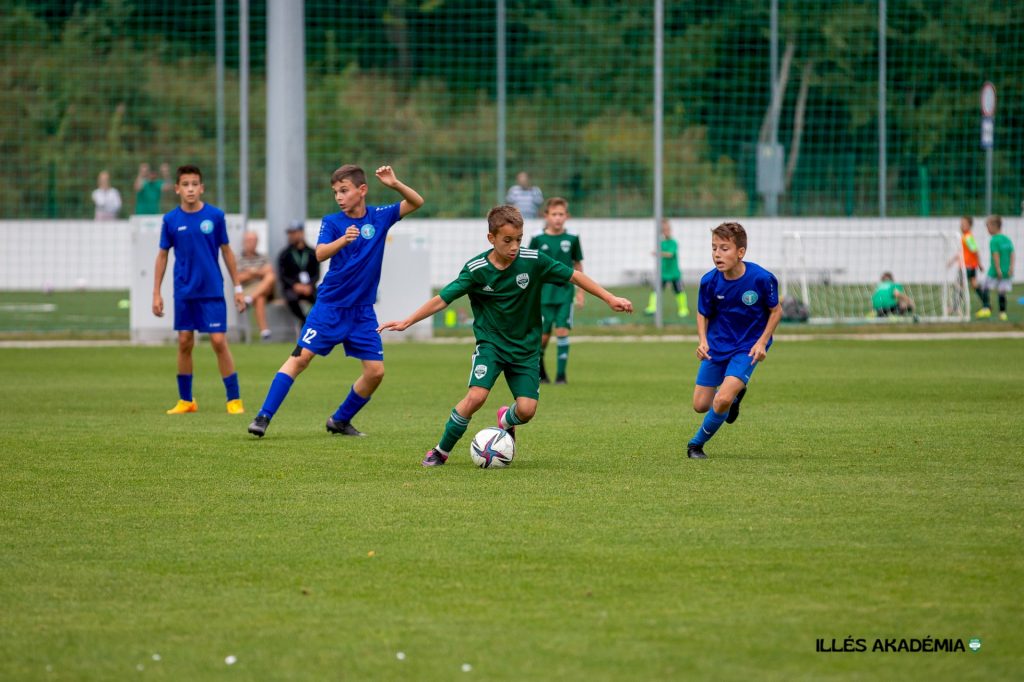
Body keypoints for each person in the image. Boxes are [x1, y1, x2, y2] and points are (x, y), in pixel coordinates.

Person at [378, 204, 633, 467]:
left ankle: (505, 420)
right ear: (492, 238)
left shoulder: (533, 262)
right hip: (492, 346)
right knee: (476, 396)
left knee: (526, 410)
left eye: (518, 240)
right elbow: (443, 299)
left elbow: (574, 276)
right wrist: (408, 321)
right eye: (507, 240)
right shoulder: (477, 269)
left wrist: (609, 297)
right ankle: (440, 451)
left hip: (525, 349)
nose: (514, 246)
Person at [247, 164, 424, 439]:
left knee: (375, 372)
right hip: (329, 308)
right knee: (300, 359)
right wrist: (343, 240)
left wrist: (395, 184)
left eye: (344, 190)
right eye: (335, 192)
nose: (339, 197)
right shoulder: (332, 222)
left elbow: (416, 202)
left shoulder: (380, 216)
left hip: (362, 312)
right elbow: (319, 254)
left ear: (361, 190)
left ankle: (340, 420)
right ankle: (263, 417)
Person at [152, 164, 247, 415]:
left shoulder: (215, 216)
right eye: (185, 184)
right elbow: (162, 256)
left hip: (212, 290)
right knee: (184, 341)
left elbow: (226, 251)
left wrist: (238, 287)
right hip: (184, 291)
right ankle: (186, 401)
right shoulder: (170, 220)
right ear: (177, 189)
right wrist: (156, 292)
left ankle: (234, 399)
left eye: (195, 184)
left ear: (202, 188)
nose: (190, 189)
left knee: (218, 341)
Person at [686, 222, 782, 460]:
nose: (717, 254)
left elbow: (776, 310)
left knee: (722, 400)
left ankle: (695, 445)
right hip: (718, 345)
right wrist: (702, 341)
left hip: (747, 347)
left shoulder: (761, 278)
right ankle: (737, 394)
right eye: (714, 248)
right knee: (700, 405)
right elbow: (702, 313)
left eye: (724, 248)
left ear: (741, 252)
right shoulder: (709, 281)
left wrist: (762, 342)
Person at [528, 197, 583, 384]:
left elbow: (577, 265)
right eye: (554, 214)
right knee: (543, 337)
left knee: (562, 331)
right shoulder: (537, 238)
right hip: (542, 295)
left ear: (567, 216)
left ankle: (561, 376)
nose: (558, 218)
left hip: (565, 294)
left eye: (561, 214)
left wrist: (580, 292)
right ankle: (541, 370)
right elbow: (529, 265)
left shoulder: (573, 238)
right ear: (547, 216)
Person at [644, 218, 690, 318]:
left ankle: (683, 309)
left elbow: (670, 254)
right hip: (663, 273)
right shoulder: (661, 243)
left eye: (668, 229)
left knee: (679, 291)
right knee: (656, 290)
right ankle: (652, 308)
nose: (666, 232)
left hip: (674, 273)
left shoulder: (673, 242)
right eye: (664, 230)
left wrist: (658, 253)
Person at [278, 221, 320, 325]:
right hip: (292, 288)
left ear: (301, 233)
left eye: (294, 233)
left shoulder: (311, 252)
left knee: (321, 299)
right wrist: (295, 285)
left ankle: (316, 323)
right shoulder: (285, 254)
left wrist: (309, 285)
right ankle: (305, 321)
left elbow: (316, 273)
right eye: (290, 233)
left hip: (308, 287)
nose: (291, 236)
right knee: (291, 298)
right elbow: (283, 275)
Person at [238, 231, 276, 341]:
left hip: (265, 288)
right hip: (248, 290)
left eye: (254, 240)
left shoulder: (263, 257)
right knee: (259, 298)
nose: (252, 243)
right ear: (244, 242)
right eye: (249, 240)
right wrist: (258, 272)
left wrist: (251, 272)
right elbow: (238, 278)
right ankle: (265, 332)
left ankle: (249, 300)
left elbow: (269, 272)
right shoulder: (239, 258)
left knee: (271, 277)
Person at [976, 214, 1015, 321]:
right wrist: (1011, 268)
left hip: (995, 271)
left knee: (983, 287)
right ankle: (1003, 313)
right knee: (1002, 292)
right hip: (1007, 271)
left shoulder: (994, 240)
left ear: (994, 226)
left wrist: (997, 269)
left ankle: (986, 309)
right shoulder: (1007, 239)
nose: (987, 229)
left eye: (988, 226)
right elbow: (1012, 254)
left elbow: (996, 255)